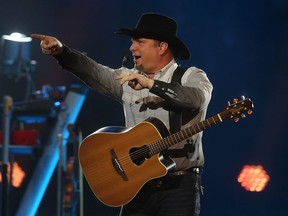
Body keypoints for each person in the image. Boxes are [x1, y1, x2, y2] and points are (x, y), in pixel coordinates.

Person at [32, 12, 213, 216]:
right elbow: (93, 72)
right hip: (135, 184)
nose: (132, 47)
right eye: (132, 42)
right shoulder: (127, 79)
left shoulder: (192, 76)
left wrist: (152, 85)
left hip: (178, 186)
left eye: (140, 42)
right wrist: (62, 52)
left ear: (161, 47)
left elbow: (196, 99)